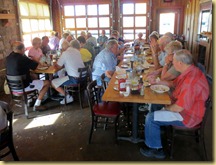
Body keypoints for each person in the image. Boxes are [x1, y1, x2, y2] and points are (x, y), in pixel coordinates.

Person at [140, 49, 209, 159]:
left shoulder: (190, 81)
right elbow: (172, 83)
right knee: (155, 105)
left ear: (180, 63)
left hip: (188, 116)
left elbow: (178, 108)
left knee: (150, 117)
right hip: (187, 109)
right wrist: (157, 82)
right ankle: (156, 132)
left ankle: (155, 149)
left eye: (174, 61)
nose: (173, 63)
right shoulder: (190, 71)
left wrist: (166, 108)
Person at [6, 41, 51, 111]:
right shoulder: (22, 58)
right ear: (22, 49)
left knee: (34, 77)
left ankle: (33, 98)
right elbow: (36, 66)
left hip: (12, 88)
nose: (25, 50)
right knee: (48, 82)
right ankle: (37, 105)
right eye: (24, 49)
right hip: (23, 87)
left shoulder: (8, 58)